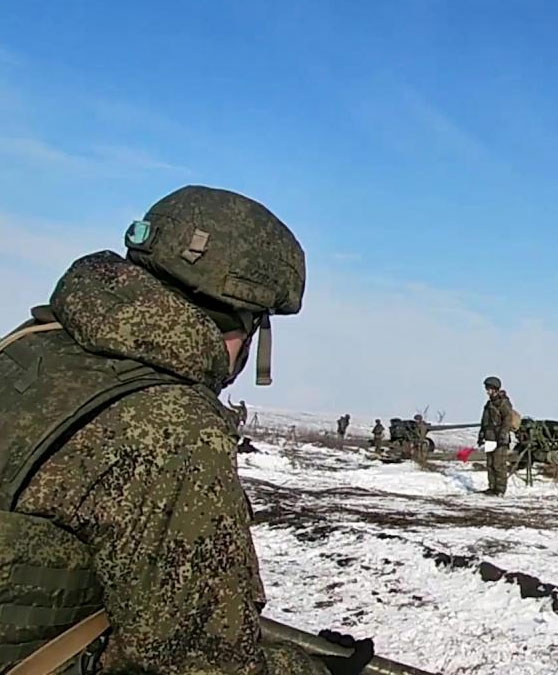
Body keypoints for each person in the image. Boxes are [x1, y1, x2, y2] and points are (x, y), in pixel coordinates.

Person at [0, 185, 373, 674]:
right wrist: (317, 670)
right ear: (247, 322)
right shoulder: (176, 427)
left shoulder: (26, 347)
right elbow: (200, 660)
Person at [477, 376, 514, 495]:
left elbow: (507, 420)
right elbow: (484, 421)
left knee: (499, 464)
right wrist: (481, 435)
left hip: (500, 438)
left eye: (488, 389)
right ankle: (492, 487)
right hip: (490, 438)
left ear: (494, 389)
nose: (487, 392)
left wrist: (503, 434)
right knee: (490, 464)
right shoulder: (489, 404)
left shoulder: (503, 403)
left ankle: (500, 489)